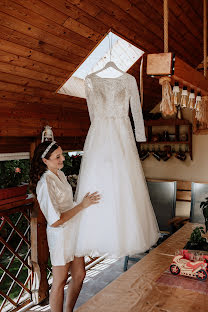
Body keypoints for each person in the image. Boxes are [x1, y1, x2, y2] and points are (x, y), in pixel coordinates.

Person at [30, 141, 100, 312]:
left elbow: (68, 203)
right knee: (60, 281)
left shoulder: (60, 174)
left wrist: (84, 203)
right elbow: (55, 220)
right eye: (57, 157)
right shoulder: (45, 183)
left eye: (62, 154)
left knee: (79, 274)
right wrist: (82, 206)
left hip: (74, 229)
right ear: (45, 160)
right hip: (60, 235)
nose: (62, 159)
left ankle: (69, 310)